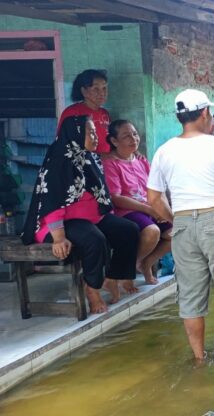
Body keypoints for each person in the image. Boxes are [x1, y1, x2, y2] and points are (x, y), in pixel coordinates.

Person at [147, 89, 214, 361]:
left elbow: (153, 198)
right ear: (205, 113)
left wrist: (176, 220)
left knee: (191, 295)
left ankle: (199, 358)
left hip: (183, 224)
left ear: (179, 116)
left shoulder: (164, 151)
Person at [21, 115, 139, 313]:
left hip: (91, 218)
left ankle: (112, 278)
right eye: (90, 132)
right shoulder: (59, 160)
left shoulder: (88, 157)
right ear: (75, 135)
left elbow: (100, 193)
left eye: (95, 132)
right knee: (95, 239)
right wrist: (58, 238)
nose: (95, 137)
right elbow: (52, 201)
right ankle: (92, 289)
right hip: (61, 222)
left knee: (128, 230)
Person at [103, 120, 172, 285]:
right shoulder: (110, 163)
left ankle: (145, 263)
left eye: (134, 134)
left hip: (149, 208)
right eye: (126, 136)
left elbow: (156, 189)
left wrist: (164, 211)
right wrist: (149, 210)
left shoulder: (141, 160)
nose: (133, 139)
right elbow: (116, 197)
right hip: (127, 211)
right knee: (152, 231)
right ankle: (128, 269)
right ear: (114, 141)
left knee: (178, 232)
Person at [58, 69, 111, 155]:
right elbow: (65, 145)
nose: (102, 93)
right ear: (84, 91)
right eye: (96, 89)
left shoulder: (105, 113)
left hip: (106, 165)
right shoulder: (72, 113)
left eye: (104, 88)